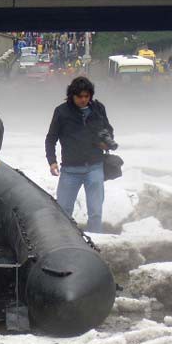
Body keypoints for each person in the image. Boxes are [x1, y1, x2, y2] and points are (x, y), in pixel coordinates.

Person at [45, 76, 115, 233]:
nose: (83, 100)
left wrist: (106, 142)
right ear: (72, 95)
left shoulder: (98, 109)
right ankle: (63, 240)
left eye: (86, 96)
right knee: (63, 212)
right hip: (70, 170)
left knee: (95, 212)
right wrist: (52, 161)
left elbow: (109, 129)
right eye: (79, 96)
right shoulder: (62, 112)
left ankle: (96, 241)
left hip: (94, 167)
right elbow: (51, 138)